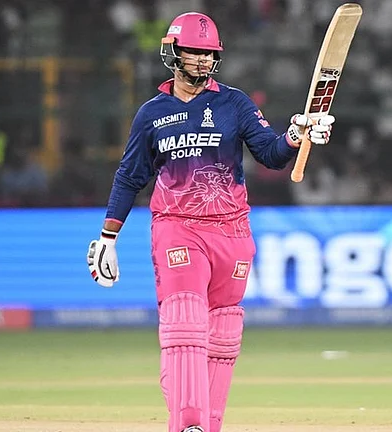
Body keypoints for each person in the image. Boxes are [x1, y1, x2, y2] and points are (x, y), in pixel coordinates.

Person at [86, 12, 335, 432]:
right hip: (177, 225)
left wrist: (298, 134)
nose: (202, 60)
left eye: (208, 53)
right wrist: (108, 236)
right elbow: (130, 176)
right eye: (193, 52)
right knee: (185, 320)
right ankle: (188, 424)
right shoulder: (152, 113)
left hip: (232, 230)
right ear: (173, 53)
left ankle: (208, 424)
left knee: (223, 332)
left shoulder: (234, 103)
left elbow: (271, 154)